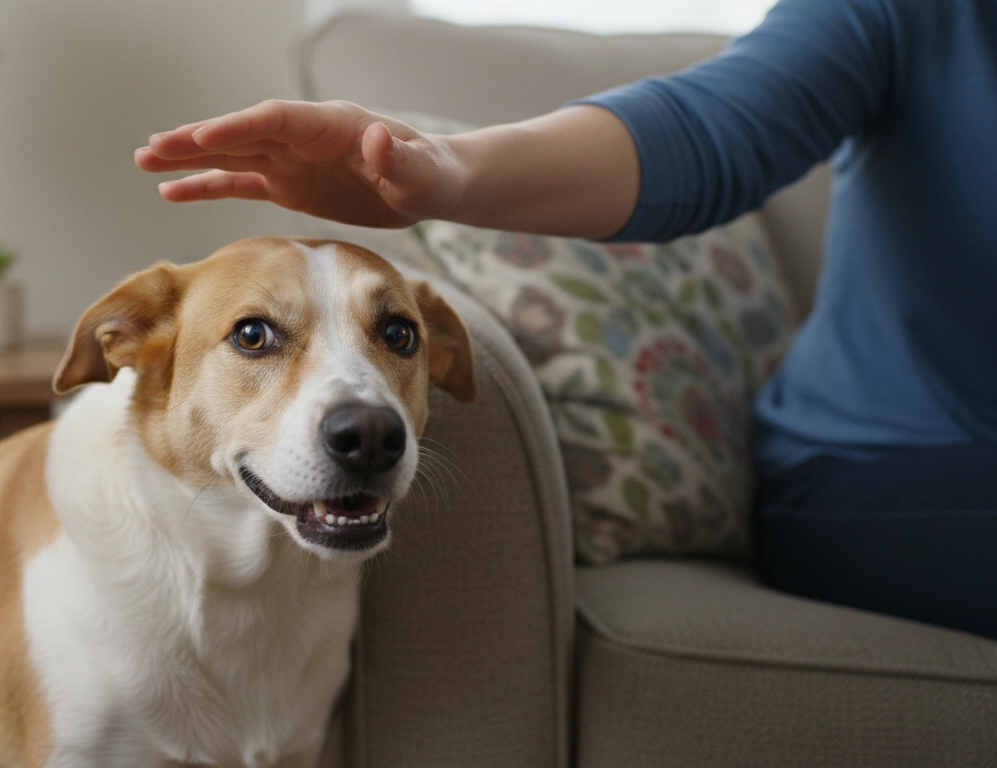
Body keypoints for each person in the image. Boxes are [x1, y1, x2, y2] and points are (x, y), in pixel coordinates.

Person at [136, 0, 997, 641]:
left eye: (393, 337)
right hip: (881, 465)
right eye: (255, 337)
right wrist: (447, 174)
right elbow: (706, 134)